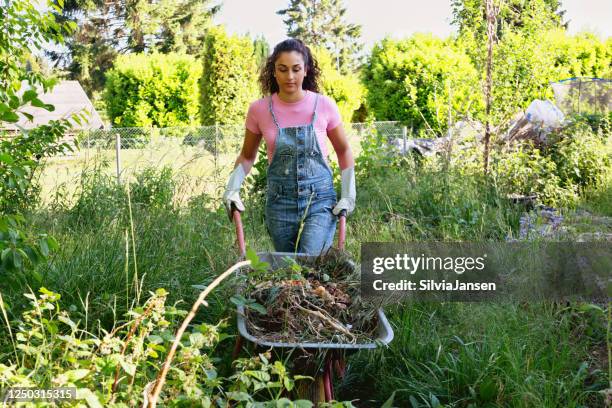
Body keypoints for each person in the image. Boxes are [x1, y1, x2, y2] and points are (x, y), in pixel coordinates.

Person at [222, 38, 356, 255]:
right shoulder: (259, 110)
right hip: (279, 202)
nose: (290, 77)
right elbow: (247, 157)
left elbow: (344, 150)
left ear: (306, 70)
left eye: (296, 69)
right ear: (273, 71)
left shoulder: (324, 105)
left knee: (308, 258)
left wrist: (349, 194)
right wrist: (232, 189)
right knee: (289, 270)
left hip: (319, 199)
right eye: (283, 69)